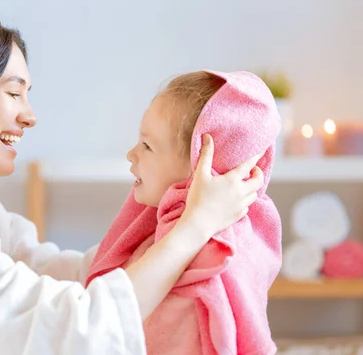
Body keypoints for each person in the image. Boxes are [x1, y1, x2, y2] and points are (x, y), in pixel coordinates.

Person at [0, 6, 264, 355]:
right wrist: (192, 229)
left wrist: (160, 235)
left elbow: (56, 274)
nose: (29, 115)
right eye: (14, 93)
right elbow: (77, 333)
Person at [85, 70, 281, 354]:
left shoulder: (207, 272)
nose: (131, 153)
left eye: (147, 145)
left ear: (199, 166)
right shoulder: (170, 238)